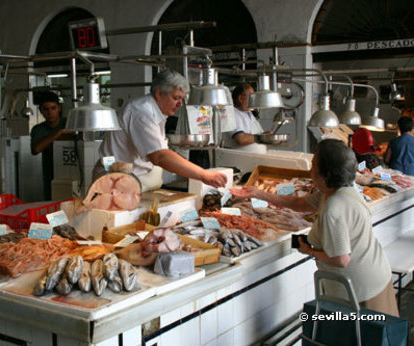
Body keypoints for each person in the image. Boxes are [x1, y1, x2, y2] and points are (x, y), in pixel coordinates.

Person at [230, 139, 398, 316]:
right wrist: (258, 193)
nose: (310, 170)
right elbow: (299, 203)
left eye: (314, 165)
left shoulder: (334, 207)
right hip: (374, 276)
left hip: (362, 290)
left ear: (325, 175)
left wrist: (308, 250)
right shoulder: (340, 191)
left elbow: (341, 260)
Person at [95, 69, 227, 191]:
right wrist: (203, 174)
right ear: (159, 93)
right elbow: (159, 156)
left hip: (132, 178)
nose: (180, 104)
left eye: (182, 99)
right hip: (113, 180)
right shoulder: (141, 112)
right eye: (176, 98)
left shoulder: (158, 112)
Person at [30, 91, 72, 200]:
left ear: (59, 108)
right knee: (52, 202)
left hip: (72, 170)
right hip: (50, 173)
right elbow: (36, 149)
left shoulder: (69, 123)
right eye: (46, 109)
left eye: (53, 108)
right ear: (41, 111)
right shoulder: (38, 129)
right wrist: (57, 134)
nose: (50, 112)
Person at [222, 82, 271, 152]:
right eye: (251, 97)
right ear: (241, 98)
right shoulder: (231, 113)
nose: (254, 100)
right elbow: (241, 139)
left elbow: (260, 134)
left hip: (256, 159)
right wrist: (262, 137)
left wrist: (267, 135)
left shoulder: (249, 113)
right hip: (238, 159)